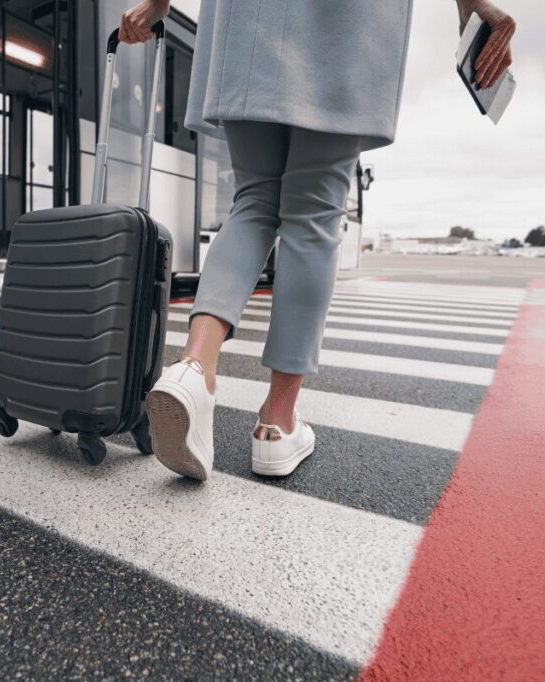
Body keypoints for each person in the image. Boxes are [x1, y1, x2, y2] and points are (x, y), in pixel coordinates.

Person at [121, 0, 516, 481]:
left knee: (252, 200)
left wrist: (158, 4)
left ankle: (192, 368)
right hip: (344, 20)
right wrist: (473, 8)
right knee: (313, 213)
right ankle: (276, 424)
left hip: (246, 17)